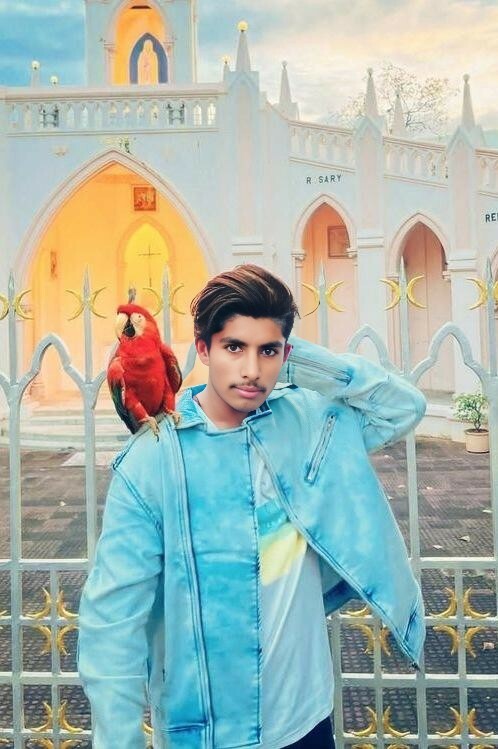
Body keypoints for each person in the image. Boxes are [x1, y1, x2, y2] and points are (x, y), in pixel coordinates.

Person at [77, 264, 427, 749]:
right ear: (203, 349)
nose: (251, 371)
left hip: (307, 718)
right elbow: (111, 622)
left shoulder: (305, 422)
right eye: (234, 348)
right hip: (208, 732)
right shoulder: (152, 461)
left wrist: (293, 357)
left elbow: (402, 407)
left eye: (268, 351)